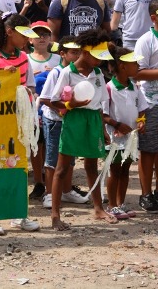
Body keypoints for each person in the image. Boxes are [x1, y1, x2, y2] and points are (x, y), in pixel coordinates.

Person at [0, 13, 41, 235]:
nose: (27, 39)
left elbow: (31, 87)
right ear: (9, 31)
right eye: (23, 34)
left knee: (19, 167)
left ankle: (18, 214)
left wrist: (23, 93)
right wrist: (2, 81)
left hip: (19, 123)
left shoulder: (25, 57)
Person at [50, 29, 117, 230]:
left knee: (91, 166)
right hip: (74, 119)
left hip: (93, 120)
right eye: (97, 57)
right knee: (61, 169)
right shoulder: (67, 72)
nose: (100, 62)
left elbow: (99, 105)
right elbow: (54, 101)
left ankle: (98, 208)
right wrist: (71, 105)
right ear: (85, 53)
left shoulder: (98, 74)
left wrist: (104, 130)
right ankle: (55, 215)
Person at [38, 37, 89, 209]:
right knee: (52, 158)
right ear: (62, 54)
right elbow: (45, 98)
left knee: (70, 157)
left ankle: (66, 191)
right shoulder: (56, 72)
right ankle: (49, 194)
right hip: (55, 121)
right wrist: (62, 108)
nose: (77, 56)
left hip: (71, 121)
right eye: (73, 52)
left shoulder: (79, 73)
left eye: (79, 52)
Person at [103, 44, 147, 219]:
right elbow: (103, 114)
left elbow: (142, 108)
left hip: (130, 138)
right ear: (122, 66)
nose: (138, 67)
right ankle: (112, 205)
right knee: (114, 169)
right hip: (115, 138)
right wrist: (116, 124)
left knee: (126, 168)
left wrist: (141, 121)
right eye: (135, 64)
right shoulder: (109, 88)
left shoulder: (135, 87)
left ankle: (121, 203)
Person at [27, 21, 60, 200]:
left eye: (45, 34)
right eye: (37, 34)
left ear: (50, 38)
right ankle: (38, 181)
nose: (41, 37)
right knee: (36, 145)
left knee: (50, 143)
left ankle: (52, 182)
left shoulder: (57, 59)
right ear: (29, 39)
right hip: (33, 108)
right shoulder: (26, 58)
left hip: (53, 108)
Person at [133, 0, 158, 213]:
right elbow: (136, 72)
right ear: (153, 17)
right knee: (148, 150)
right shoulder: (146, 40)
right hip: (150, 102)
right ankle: (146, 194)